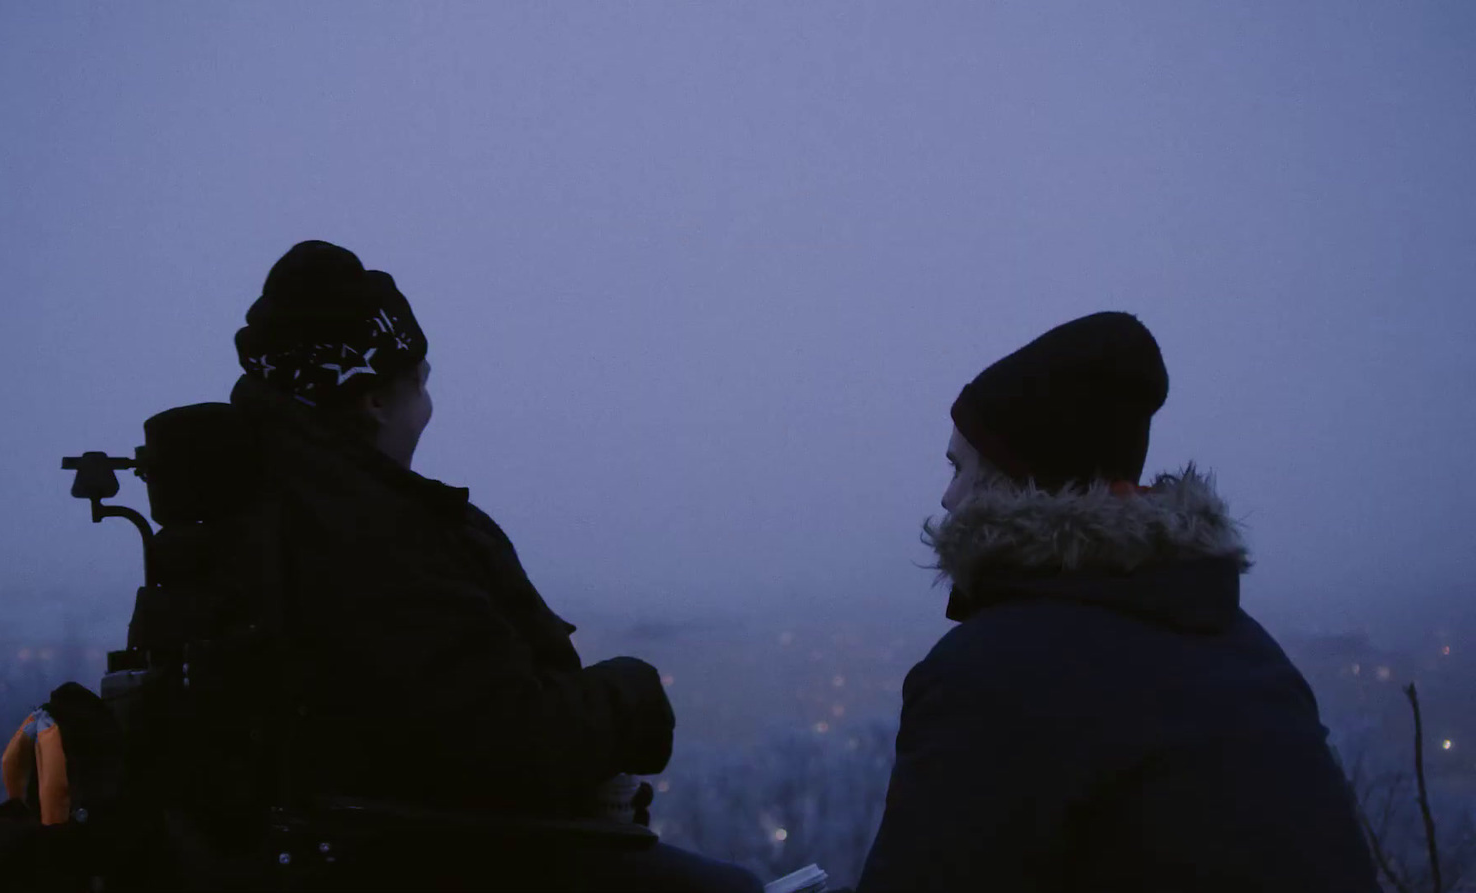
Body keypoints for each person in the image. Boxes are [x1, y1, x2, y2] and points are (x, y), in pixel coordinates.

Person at [223, 240, 760, 891]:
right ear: (373, 400)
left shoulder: (278, 504)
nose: (428, 406)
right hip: (439, 854)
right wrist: (632, 698)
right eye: (420, 380)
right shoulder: (371, 535)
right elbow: (503, 742)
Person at [857, 312, 1381, 892]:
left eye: (960, 468)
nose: (947, 497)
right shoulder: (1246, 648)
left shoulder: (991, 676)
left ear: (1020, 483)